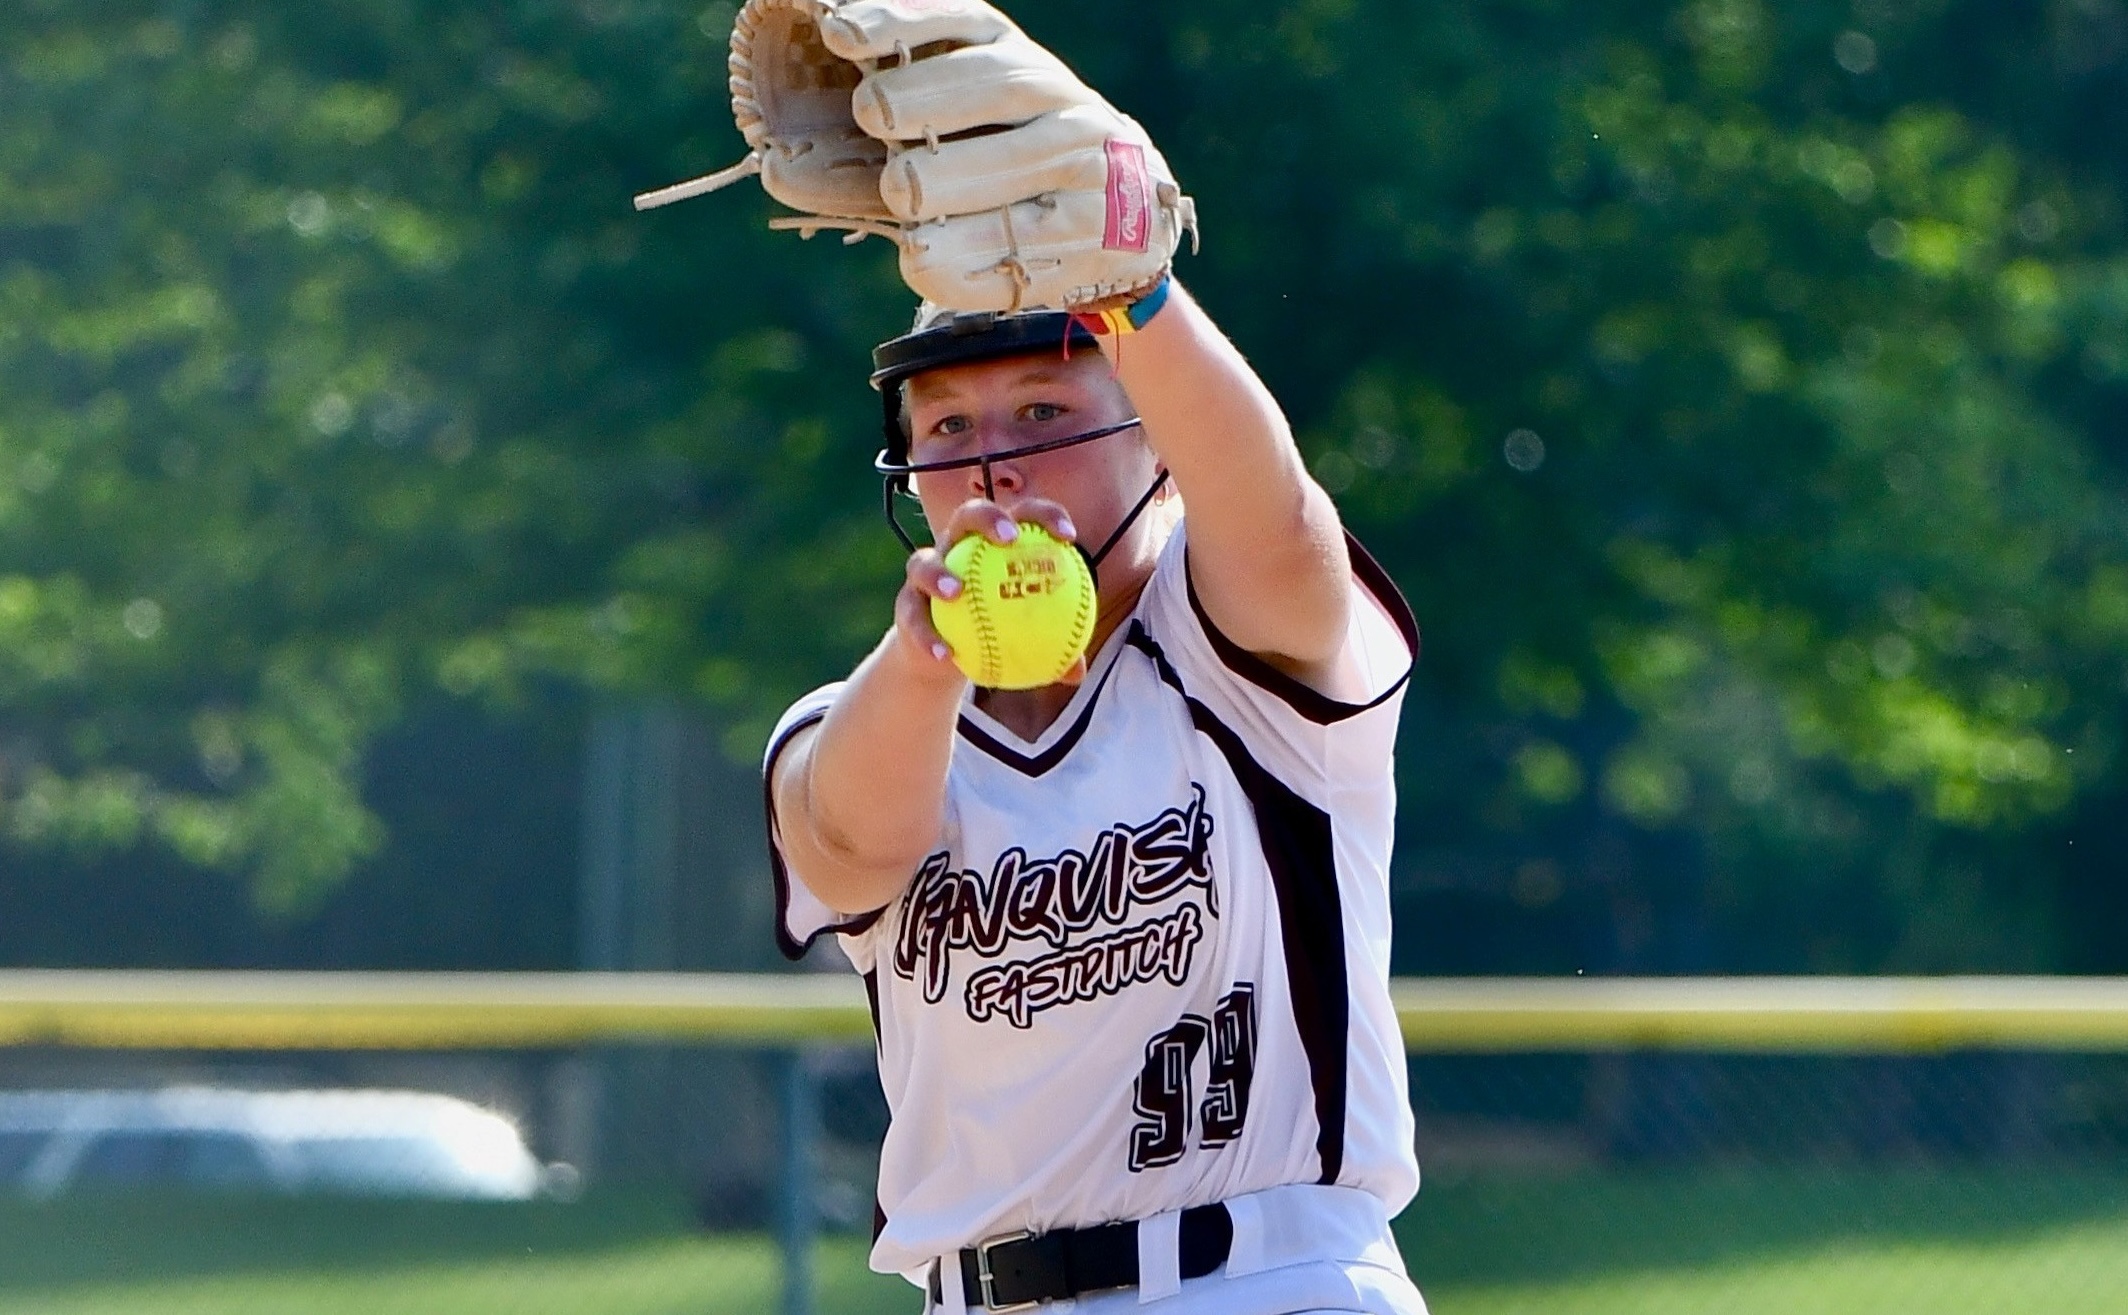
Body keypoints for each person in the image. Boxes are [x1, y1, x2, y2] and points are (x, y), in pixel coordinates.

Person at [762, 262, 1426, 1313]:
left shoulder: (1229, 657)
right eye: (946, 426)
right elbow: (846, 846)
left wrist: (1128, 286)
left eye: (1043, 411)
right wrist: (923, 663)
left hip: (1264, 1278)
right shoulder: (861, 720)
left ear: (1158, 445)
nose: (992, 466)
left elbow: (1275, 531)